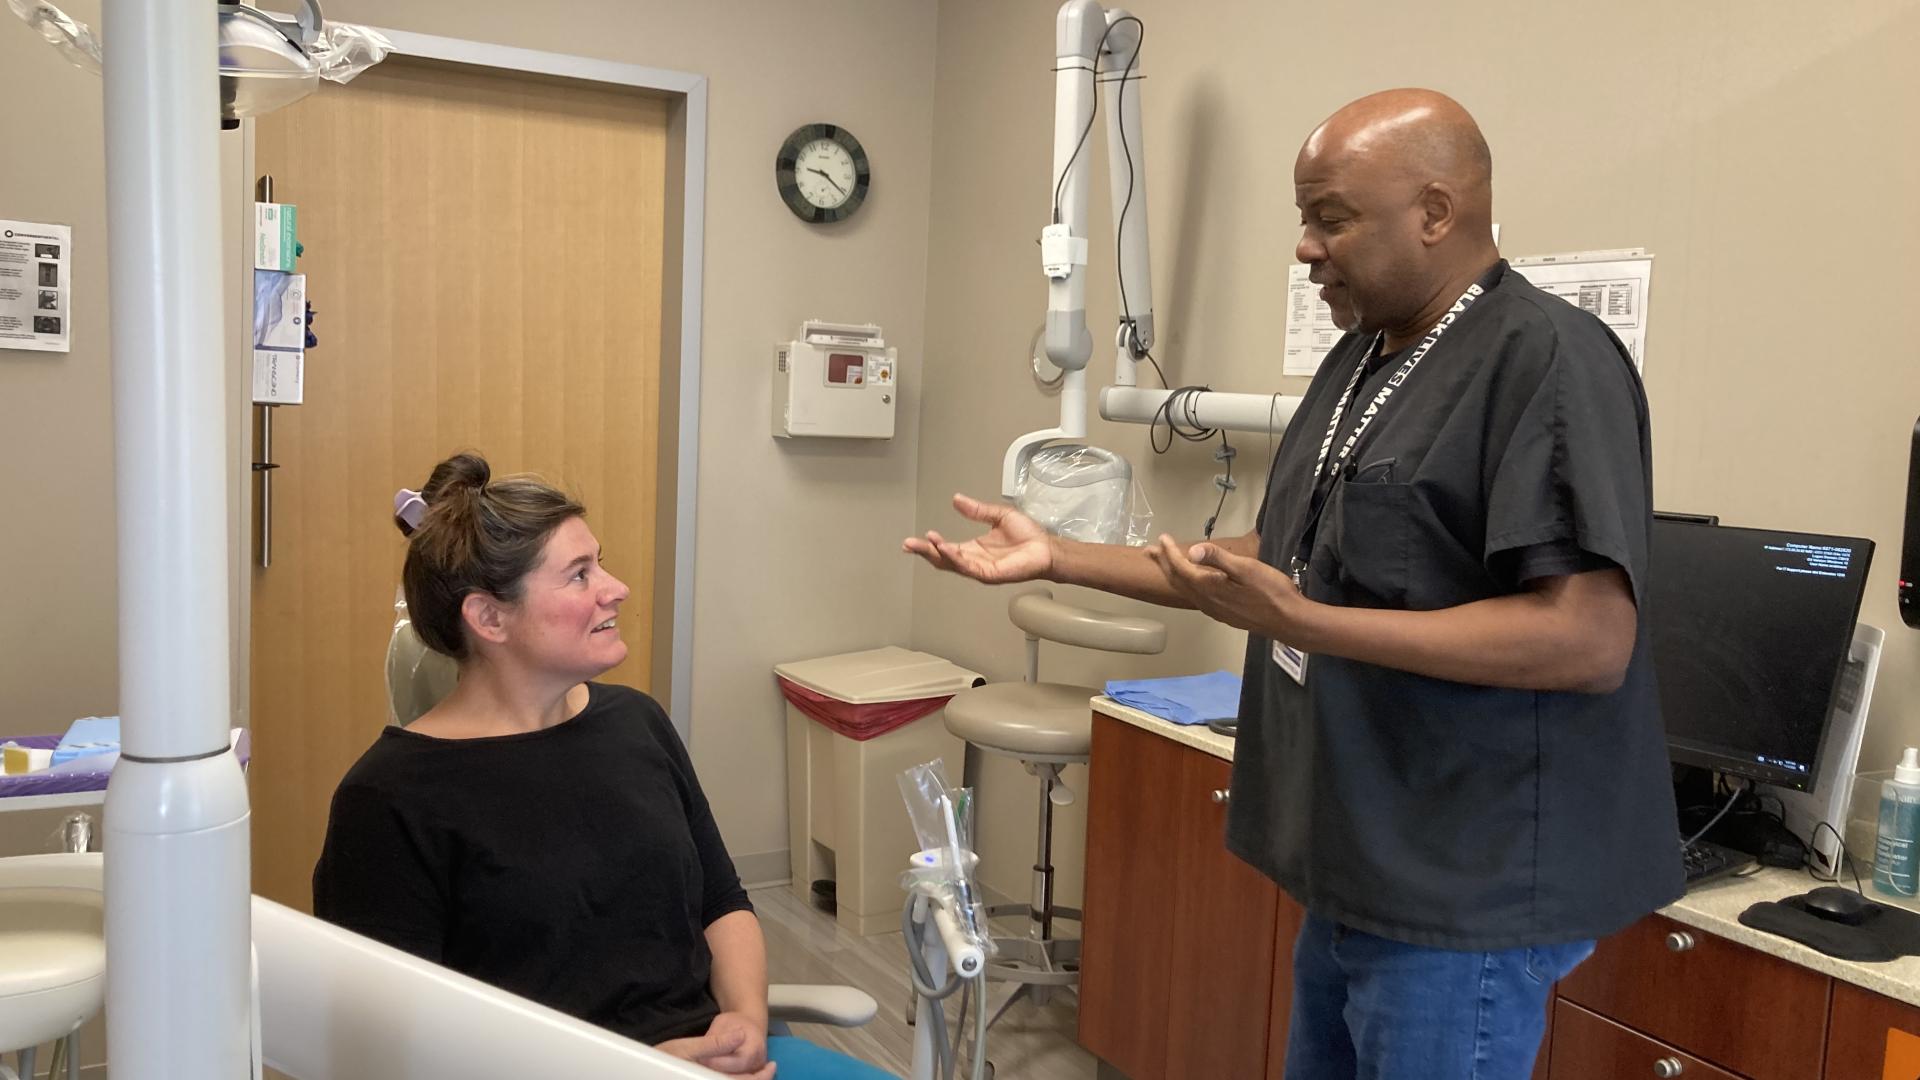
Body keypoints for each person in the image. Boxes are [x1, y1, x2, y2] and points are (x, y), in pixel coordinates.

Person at [904, 88, 1683, 1079]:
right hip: (1357, 863)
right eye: (1304, 220)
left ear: (1436, 213)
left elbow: (1586, 636)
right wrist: (1056, 554)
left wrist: (1310, 621)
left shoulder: (1549, 361)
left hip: (1461, 891)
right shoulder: (1359, 360)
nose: (1307, 249)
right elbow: (1280, 553)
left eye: (1331, 217)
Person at [315, 451, 894, 1080]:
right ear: (489, 617)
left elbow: (722, 902)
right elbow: (385, 1055)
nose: (615, 588)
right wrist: (636, 1068)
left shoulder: (635, 721)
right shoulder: (388, 800)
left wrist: (746, 1023)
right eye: (579, 575)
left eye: (601, 563)